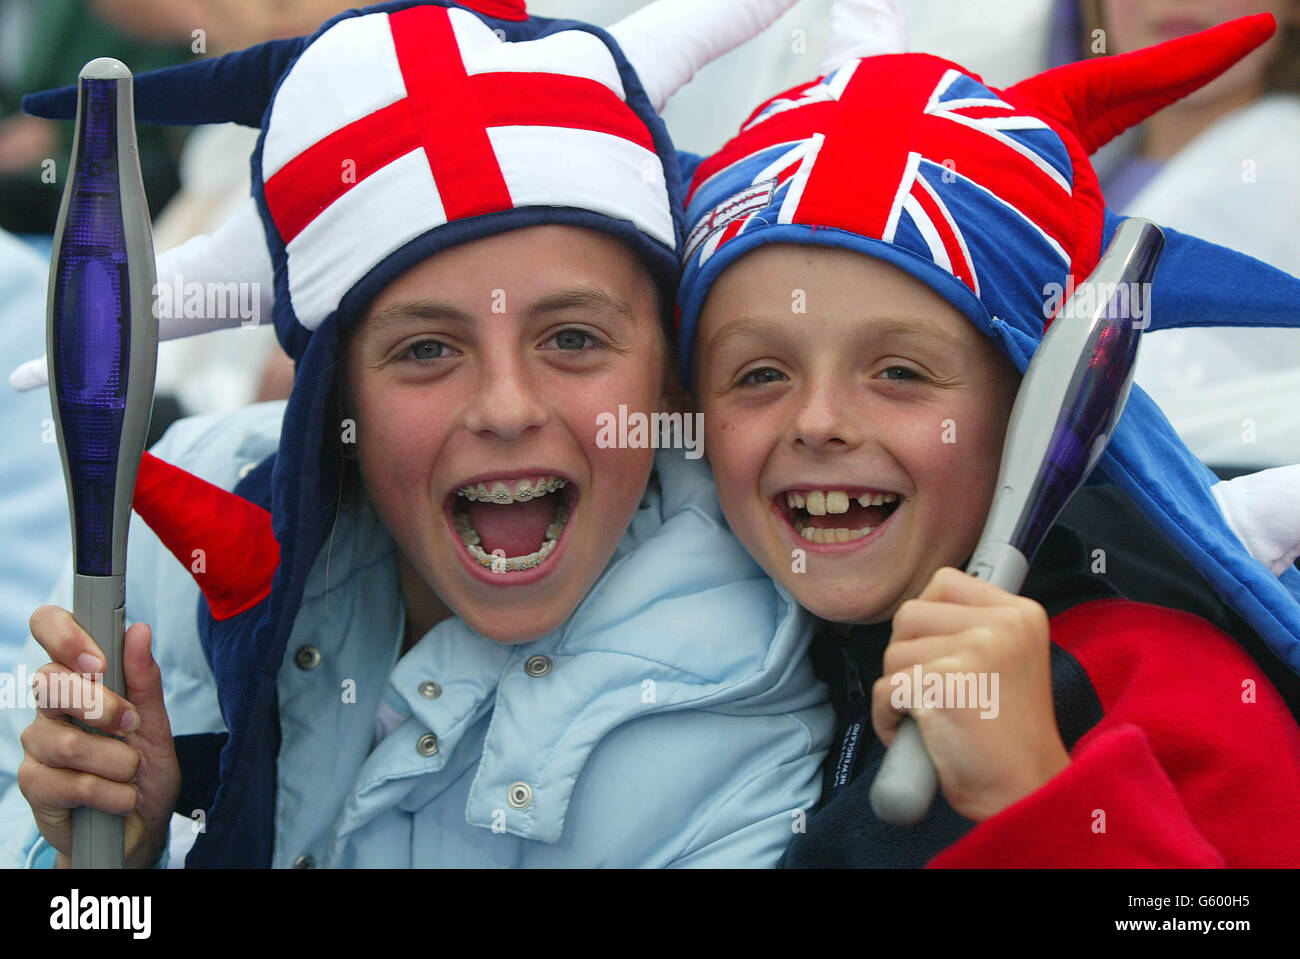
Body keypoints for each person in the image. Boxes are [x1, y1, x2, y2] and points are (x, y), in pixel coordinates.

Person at [3, 0, 833, 868]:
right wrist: (102, 868)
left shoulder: (744, 725)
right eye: (427, 348)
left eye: (573, 339)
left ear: (669, 371)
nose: (508, 407)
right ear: (332, 395)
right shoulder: (160, 554)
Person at [673, 10, 1300, 865]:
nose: (817, 421)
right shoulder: (697, 646)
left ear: (1033, 405)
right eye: (759, 375)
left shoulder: (1165, 676)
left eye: (899, 372)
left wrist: (1042, 797)